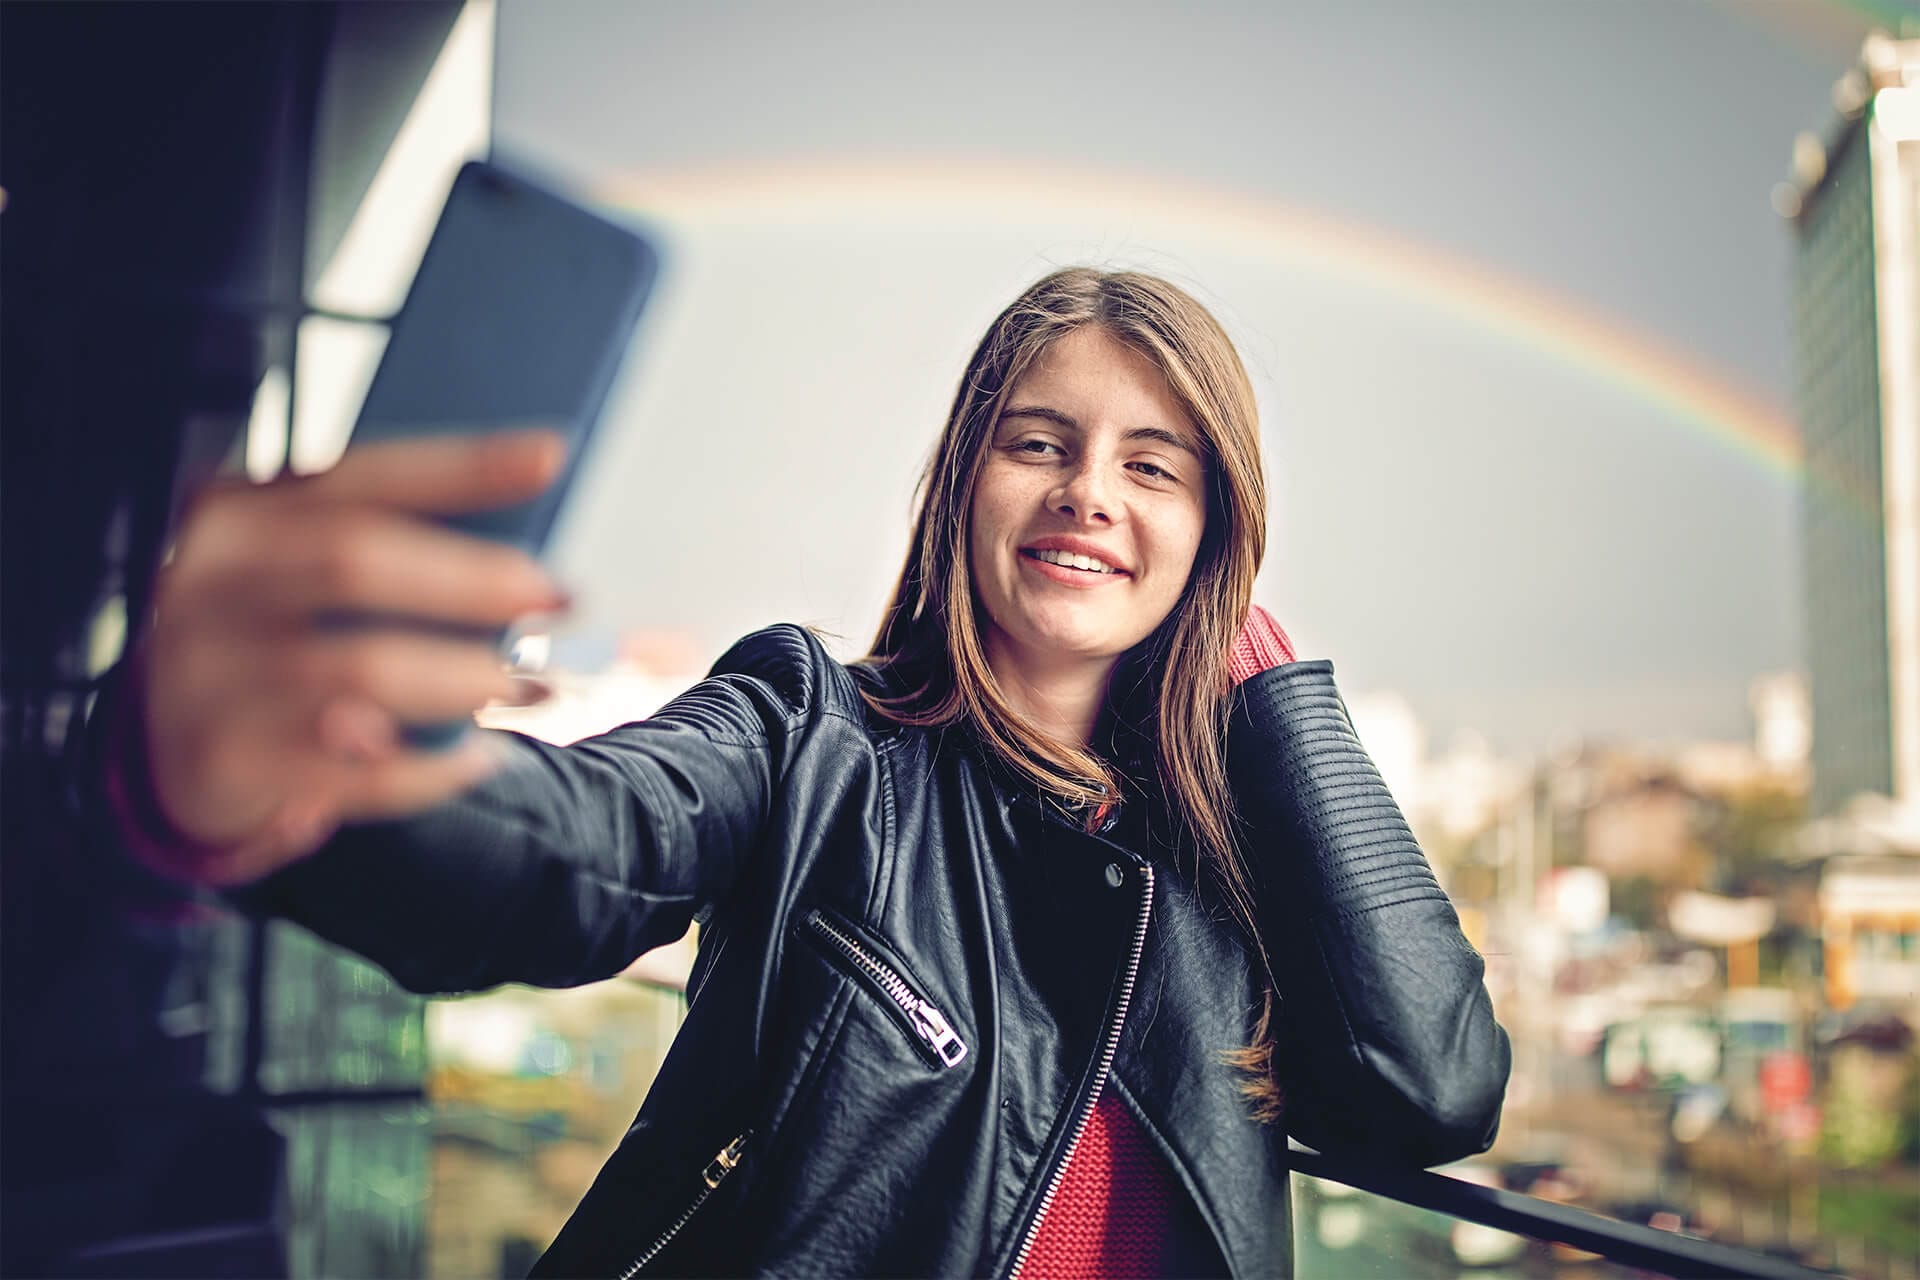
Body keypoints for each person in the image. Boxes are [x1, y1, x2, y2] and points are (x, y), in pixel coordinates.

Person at [100, 267, 1510, 1277]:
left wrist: (1273, 685)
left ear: (1218, 530)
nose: (1088, 490)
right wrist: (293, 774)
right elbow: (569, 852)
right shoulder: (810, 731)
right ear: (965, 481)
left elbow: (1430, 1091)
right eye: (1039, 443)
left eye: (1157, 468)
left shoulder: (1244, 848)